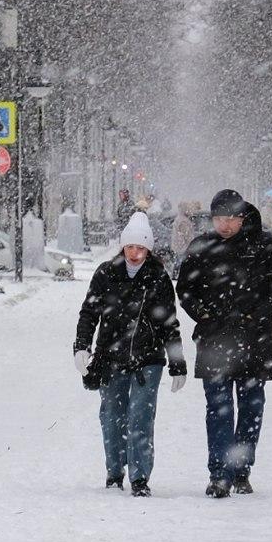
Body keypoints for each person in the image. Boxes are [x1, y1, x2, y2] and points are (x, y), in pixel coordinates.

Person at [176, 188, 272, 498]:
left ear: (242, 217)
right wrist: (203, 314)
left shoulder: (266, 246)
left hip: (254, 340)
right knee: (218, 409)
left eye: (231, 218)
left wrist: (258, 313)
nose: (225, 224)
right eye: (219, 218)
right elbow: (186, 289)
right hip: (214, 340)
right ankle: (220, 474)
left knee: (250, 407)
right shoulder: (202, 247)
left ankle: (241, 469)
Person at [73, 211, 186, 496]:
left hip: (148, 359)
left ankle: (140, 477)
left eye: (141, 248)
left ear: (149, 249)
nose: (135, 253)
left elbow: (169, 322)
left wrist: (177, 362)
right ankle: (114, 472)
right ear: (123, 246)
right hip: (110, 357)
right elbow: (89, 312)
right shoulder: (105, 273)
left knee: (141, 417)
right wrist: (82, 346)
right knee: (112, 416)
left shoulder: (158, 277)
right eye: (130, 247)